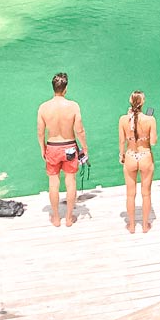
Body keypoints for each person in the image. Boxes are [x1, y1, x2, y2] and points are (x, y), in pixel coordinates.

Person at [37, 72, 88, 228]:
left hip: (52, 146)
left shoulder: (44, 107)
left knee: (53, 183)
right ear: (65, 88)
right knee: (70, 181)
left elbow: (40, 132)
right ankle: (68, 218)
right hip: (69, 146)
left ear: (53, 88)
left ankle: (56, 217)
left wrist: (42, 148)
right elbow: (79, 130)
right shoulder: (73, 106)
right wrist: (84, 148)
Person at [118, 91, 157, 234]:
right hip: (145, 156)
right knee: (146, 193)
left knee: (130, 194)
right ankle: (145, 226)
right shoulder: (150, 120)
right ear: (142, 103)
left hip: (130, 156)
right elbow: (153, 141)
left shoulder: (123, 119)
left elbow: (122, 141)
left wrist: (121, 155)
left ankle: (132, 226)